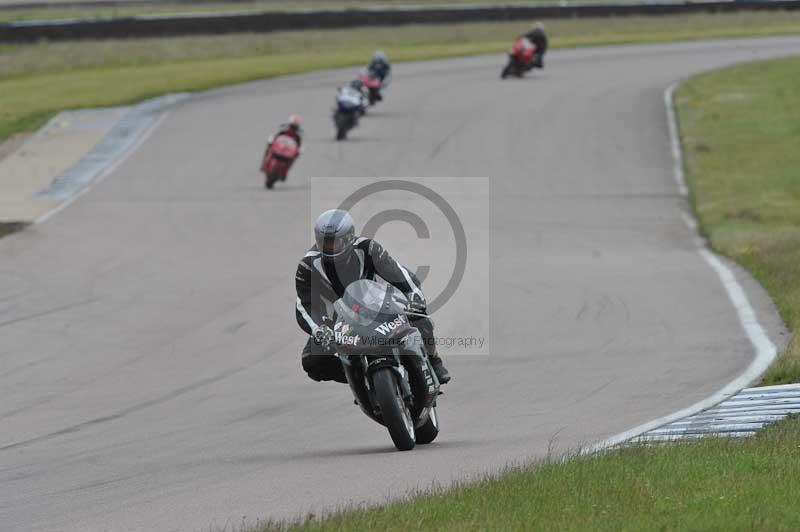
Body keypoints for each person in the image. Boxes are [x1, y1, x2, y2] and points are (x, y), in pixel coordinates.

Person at [295, 209, 451, 385]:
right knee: (312, 360)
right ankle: (360, 379)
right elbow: (303, 304)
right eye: (324, 242)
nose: (329, 247)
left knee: (420, 318)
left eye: (334, 242)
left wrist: (414, 296)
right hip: (336, 320)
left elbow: (398, 273)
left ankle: (434, 360)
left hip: (375, 305)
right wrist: (319, 329)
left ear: (349, 237)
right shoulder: (308, 265)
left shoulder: (367, 248)